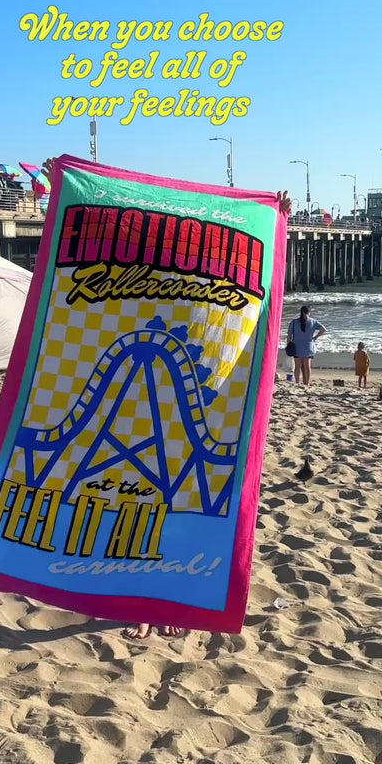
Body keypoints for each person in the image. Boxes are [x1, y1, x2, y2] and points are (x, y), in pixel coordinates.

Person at [123, 190, 294, 642]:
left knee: (185, 513)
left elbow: (261, 293)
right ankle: (143, 607)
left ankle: (170, 604)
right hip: (144, 409)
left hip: (203, 411)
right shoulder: (145, 283)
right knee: (145, 509)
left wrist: (279, 223)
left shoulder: (217, 287)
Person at [286, 305, 326, 386]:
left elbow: (289, 335)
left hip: (296, 346)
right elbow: (323, 329)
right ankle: (307, 383)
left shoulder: (293, 322)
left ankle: (297, 382)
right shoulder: (313, 321)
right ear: (308, 312)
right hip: (308, 346)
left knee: (297, 366)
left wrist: (288, 345)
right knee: (307, 366)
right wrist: (315, 337)